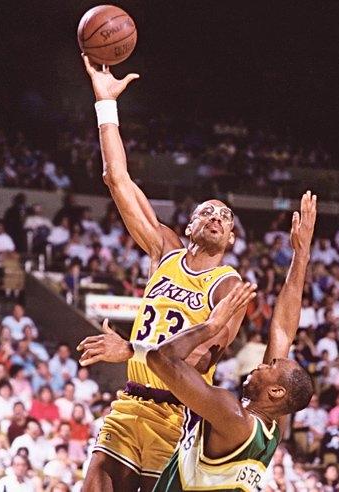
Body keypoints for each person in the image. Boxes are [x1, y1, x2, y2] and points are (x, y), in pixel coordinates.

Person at [79, 55, 247, 491]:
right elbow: (116, 178)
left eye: (225, 217)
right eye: (207, 211)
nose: (216, 217)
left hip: (177, 415)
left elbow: (199, 358)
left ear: (230, 238)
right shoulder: (165, 251)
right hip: (129, 404)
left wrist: (129, 350)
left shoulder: (228, 286)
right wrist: (106, 104)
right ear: (189, 226)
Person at [78, 192, 317, 491]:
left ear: (276, 391)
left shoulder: (230, 415)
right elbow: (282, 332)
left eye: (269, 367)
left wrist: (211, 325)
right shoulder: (273, 428)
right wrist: (301, 255)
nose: (259, 365)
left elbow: (163, 359)